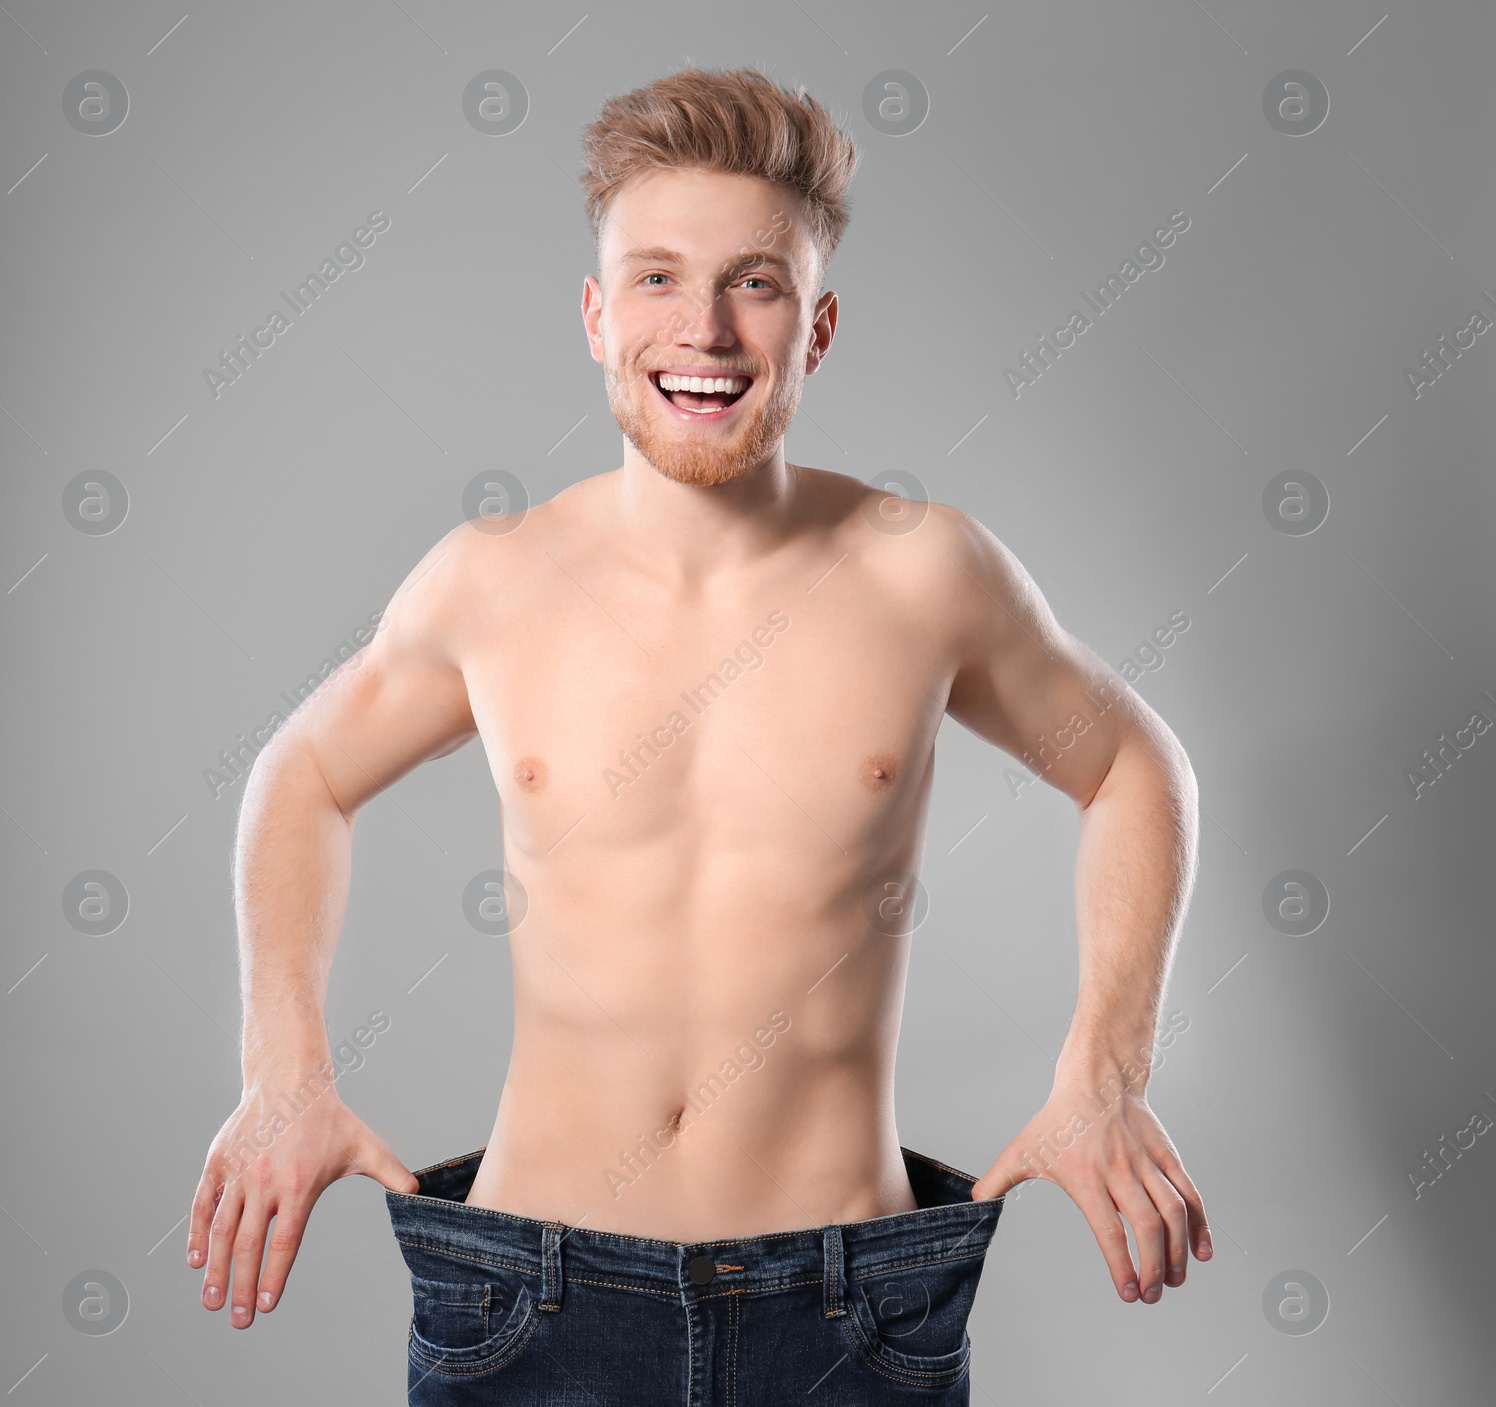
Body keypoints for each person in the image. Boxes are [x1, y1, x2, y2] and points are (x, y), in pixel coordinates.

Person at [189, 64, 1210, 1404]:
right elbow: (302, 775)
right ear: (598, 316)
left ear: (818, 327)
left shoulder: (924, 573)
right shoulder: (489, 583)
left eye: (757, 282)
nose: (707, 329)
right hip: (530, 1300)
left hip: (845, 1310)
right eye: (659, 279)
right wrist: (282, 1075)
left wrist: (1104, 1076)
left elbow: (1136, 763)